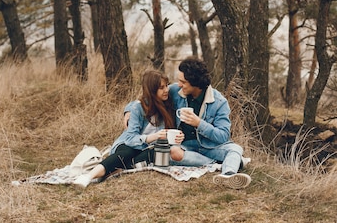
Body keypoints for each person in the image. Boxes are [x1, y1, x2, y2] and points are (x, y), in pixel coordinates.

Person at [125, 57, 251, 189]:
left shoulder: (219, 102)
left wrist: (199, 123)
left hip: (210, 147)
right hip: (185, 147)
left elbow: (223, 136)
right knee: (173, 152)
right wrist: (128, 111)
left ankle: (228, 174)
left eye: (183, 82)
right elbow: (149, 96)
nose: (179, 84)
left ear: (195, 83)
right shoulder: (176, 91)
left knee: (235, 148)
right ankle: (221, 163)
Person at [74, 69, 184, 188]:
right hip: (129, 145)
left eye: (167, 86)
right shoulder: (138, 108)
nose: (166, 90)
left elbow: (184, 86)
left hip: (149, 149)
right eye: (161, 87)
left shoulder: (168, 105)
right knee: (127, 153)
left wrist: (178, 137)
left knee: (157, 153)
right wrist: (154, 136)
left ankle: (114, 169)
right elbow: (131, 139)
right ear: (152, 90)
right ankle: (88, 176)